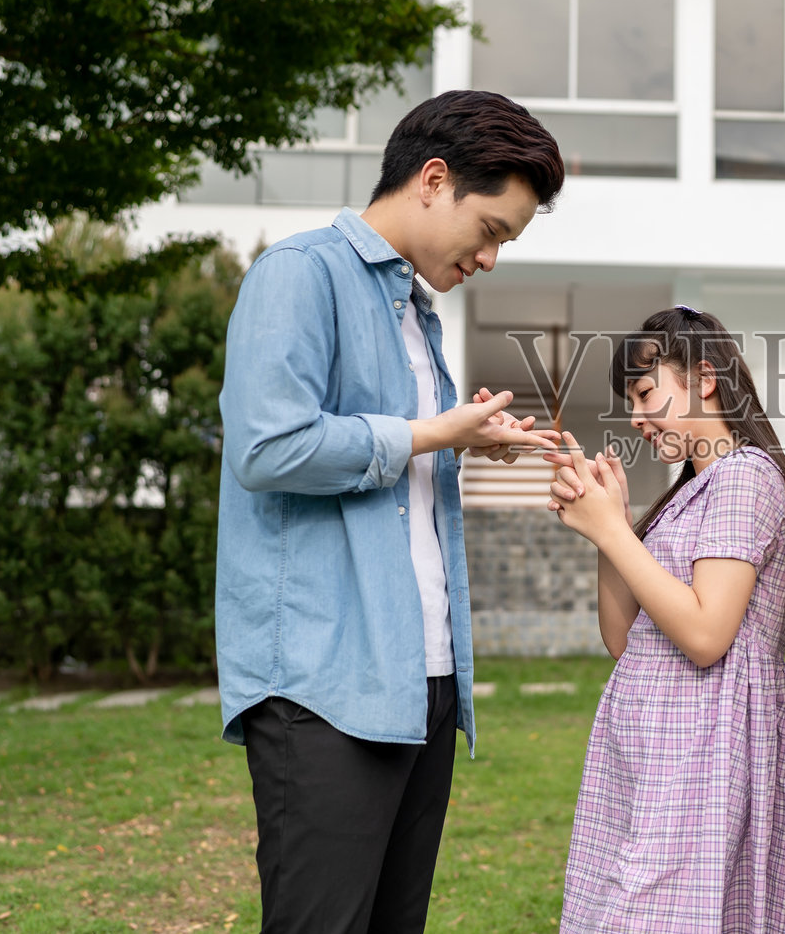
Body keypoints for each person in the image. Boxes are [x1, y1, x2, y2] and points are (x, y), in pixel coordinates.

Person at [215, 90, 565, 934]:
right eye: (490, 231)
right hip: (326, 685)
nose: (489, 259)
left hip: (423, 679)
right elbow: (266, 448)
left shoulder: (415, 312)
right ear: (434, 179)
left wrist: (460, 441)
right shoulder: (299, 274)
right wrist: (430, 429)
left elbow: (392, 454)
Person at [542, 307, 785, 934]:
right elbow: (621, 639)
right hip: (655, 744)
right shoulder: (691, 490)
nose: (635, 416)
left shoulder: (744, 477)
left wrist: (613, 530)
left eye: (644, 391)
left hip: (705, 747)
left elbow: (704, 634)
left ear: (704, 378)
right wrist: (612, 527)